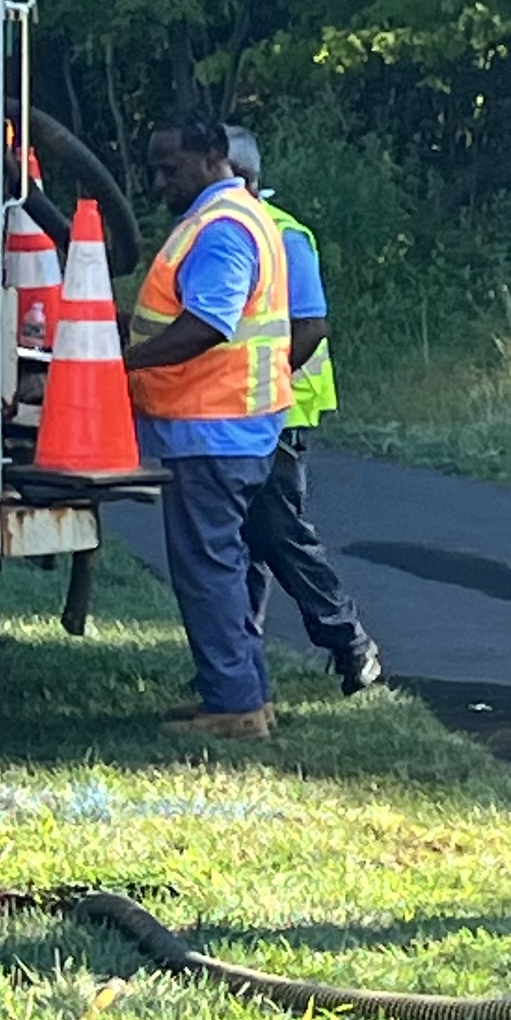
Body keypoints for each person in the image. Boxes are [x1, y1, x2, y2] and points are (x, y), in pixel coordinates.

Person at [124, 109, 298, 739]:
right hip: (235, 424)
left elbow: (208, 323)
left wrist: (124, 364)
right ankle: (246, 693)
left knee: (208, 569)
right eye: (154, 168)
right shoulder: (239, 214)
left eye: (169, 167)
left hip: (213, 426)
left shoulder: (220, 228)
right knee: (221, 565)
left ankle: (233, 706)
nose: (159, 181)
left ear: (210, 155)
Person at [223, 126, 383, 695]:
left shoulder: (283, 235)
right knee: (247, 540)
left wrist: (261, 386)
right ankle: (240, 661)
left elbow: (310, 327)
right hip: (243, 409)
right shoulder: (232, 229)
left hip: (278, 412)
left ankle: (349, 640)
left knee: (276, 533)